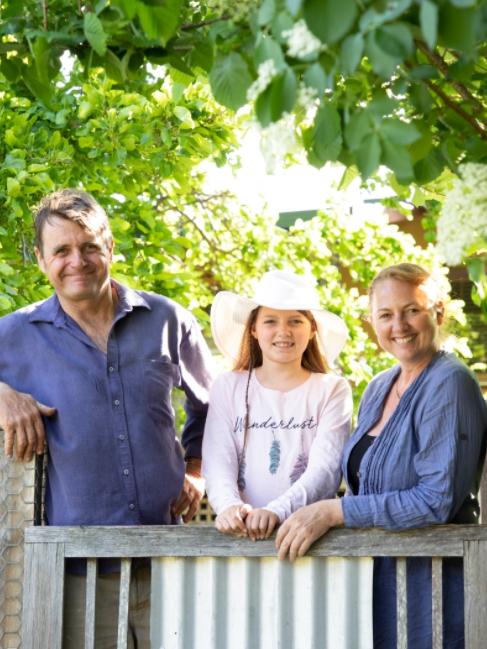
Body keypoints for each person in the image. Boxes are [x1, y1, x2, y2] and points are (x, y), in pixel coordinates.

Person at [0, 189, 214, 649]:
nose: (77, 261)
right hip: (77, 571)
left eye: (90, 246)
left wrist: (197, 470)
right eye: (61, 250)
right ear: (41, 260)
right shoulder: (13, 335)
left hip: (167, 560)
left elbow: (212, 407)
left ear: (110, 248)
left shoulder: (169, 320)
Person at [276, 263, 487, 649]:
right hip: (377, 581)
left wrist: (334, 512)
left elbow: (435, 501)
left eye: (412, 310)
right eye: (386, 315)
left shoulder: (449, 381)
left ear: (438, 312)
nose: (399, 326)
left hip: (432, 587)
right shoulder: (378, 386)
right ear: (372, 322)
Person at [202, 269, 353, 540]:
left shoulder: (332, 389)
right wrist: (229, 506)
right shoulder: (228, 386)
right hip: (241, 534)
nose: (284, 331)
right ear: (254, 329)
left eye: (296, 321)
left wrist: (277, 511)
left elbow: (326, 469)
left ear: (312, 330)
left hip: (308, 537)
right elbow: (217, 457)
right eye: (270, 321)